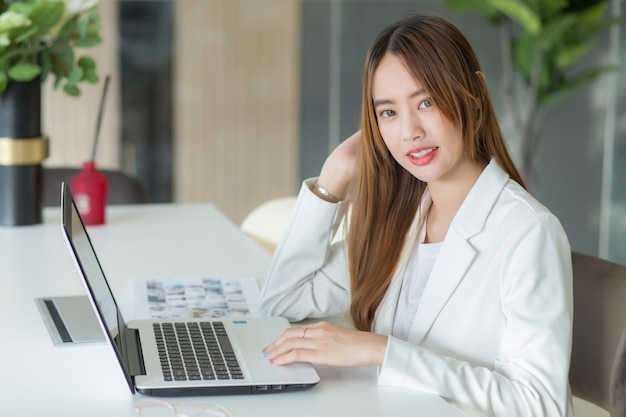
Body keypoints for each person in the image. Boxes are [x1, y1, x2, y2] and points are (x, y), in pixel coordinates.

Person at [259, 14, 573, 417]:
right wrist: (334, 176)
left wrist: (381, 351)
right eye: (388, 113)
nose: (409, 132)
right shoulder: (401, 220)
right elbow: (282, 304)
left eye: (425, 102)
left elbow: (541, 407)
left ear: (475, 91)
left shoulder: (528, 232)